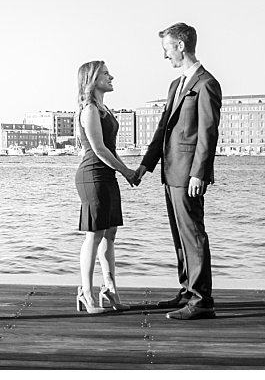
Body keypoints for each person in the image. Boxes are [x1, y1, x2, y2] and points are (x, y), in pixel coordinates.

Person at [136, 22, 222, 320]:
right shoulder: (176, 85)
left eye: (167, 49)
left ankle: (202, 301)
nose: (165, 56)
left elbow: (208, 133)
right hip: (170, 172)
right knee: (180, 235)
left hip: (188, 175)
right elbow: (163, 129)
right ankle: (187, 291)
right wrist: (145, 165)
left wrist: (199, 173)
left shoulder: (206, 84)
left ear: (181, 46)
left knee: (193, 234)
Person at [74, 60, 139, 314]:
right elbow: (99, 149)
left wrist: (125, 171)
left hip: (107, 175)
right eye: (105, 74)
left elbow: (110, 149)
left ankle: (110, 289)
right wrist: (125, 171)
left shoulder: (105, 109)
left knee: (110, 233)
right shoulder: (90, 109)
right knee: (95, 233)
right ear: (92, 80)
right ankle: (86, 294)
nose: (111, 77)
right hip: (92, 175)